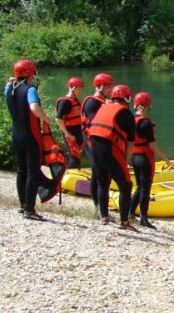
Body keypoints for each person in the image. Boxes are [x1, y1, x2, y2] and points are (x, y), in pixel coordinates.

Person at [5, 59, 51, 221]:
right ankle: (30, 210)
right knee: (33, 171)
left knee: (21, 170)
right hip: (30, 135)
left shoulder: (8, 88)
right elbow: (34, 108)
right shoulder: (30, 89)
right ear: (31, 73)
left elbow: (11, 86)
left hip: (16, 134)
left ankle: (23, 205)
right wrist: (46, 118)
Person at [89, 84, 136, 230]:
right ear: (127, 98)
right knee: (126, 185)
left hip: (94, 150)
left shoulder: (103, 107)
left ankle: (103, 216)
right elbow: (131, 143)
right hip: (110, 151)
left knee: (103, 183)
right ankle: (124, 222)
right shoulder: (126, 113)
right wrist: (125, 160)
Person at [130, 92, 171, 229]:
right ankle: (143, 218)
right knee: (145, 190)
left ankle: (130, 214)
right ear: (146, 106)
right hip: (144, 158)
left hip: (134, 157)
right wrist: (165, 159)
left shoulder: (130, 119)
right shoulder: (145, 123)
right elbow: (152, 145)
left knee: (139, 187)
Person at [81, 73, 115, 214]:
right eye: (108, 87)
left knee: (97, 174)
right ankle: (99, 208)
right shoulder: (92, 102)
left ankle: (98, 207)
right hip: (91, 143)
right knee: (99, 175)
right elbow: (97, 122)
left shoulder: (102, 102)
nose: (111, 90)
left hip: (98, 143)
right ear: (100, 86)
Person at [55, 77, 85, 168]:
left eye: (80, 89)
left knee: (78, 156)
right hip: (70, 133)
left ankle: (75, 175)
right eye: (78, 89)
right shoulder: (65, 102)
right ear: (72, 88)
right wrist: (67, 134)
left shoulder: (75, 100)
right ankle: (69, 178)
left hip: (78, 132)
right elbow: (58, 119)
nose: (80, 91)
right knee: (74, 157)